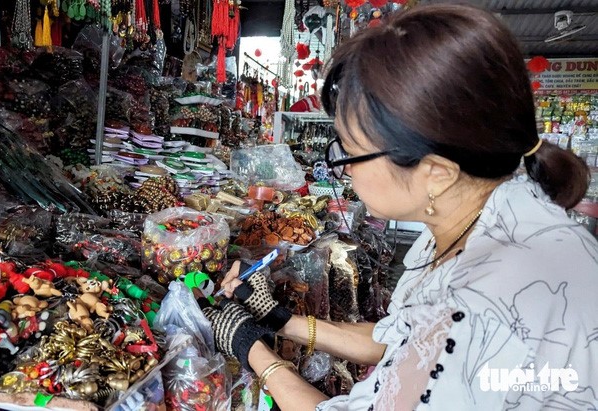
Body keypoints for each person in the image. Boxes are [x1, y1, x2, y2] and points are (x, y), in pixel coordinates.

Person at [198, 4, 598, 410]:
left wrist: (253, 350)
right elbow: (405, 343)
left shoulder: (488, 299)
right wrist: (282, 321)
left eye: (350, 154)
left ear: (435, 172)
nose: (346, 172)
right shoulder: (482, 219)